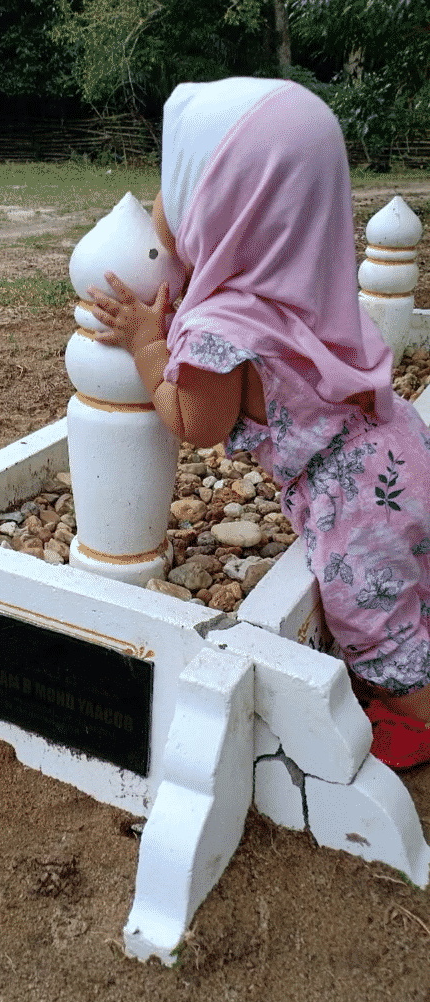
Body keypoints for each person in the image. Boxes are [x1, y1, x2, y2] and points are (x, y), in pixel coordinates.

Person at [88, 77, 430, 770]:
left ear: (218, 209)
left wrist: (147, 345)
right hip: (401, 447)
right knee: (412, 574)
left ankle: (418, 709)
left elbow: (196, 422)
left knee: (372, 620)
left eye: (173, 186)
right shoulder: (303, 275)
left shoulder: (220, 327)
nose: (161, 204)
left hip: (353, 498)